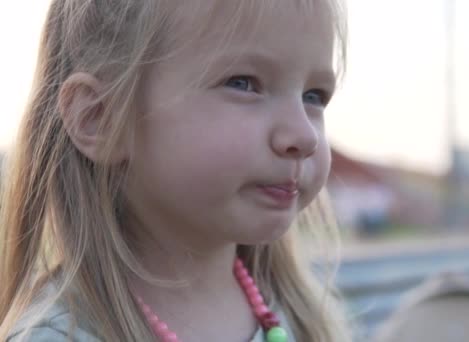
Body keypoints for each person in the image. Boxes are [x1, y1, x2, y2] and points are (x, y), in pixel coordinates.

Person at [0, 0, 351, 341]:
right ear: (99, 118)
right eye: (243, 83)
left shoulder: (303, 319)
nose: (304, 135)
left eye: (314, 96)